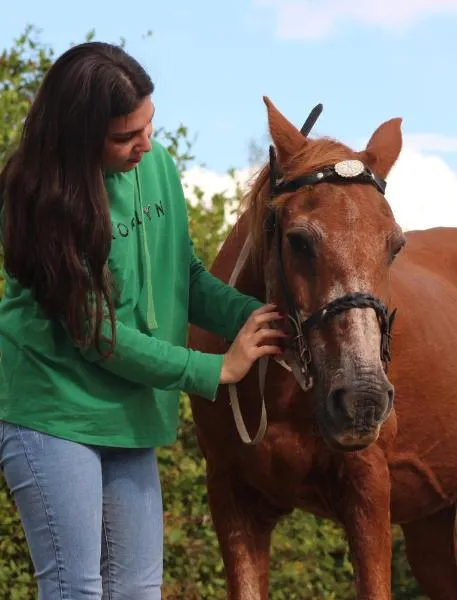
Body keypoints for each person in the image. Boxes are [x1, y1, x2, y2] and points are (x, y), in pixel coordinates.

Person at [0, 41, 284, 599]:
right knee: (75, 589)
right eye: (125, 137)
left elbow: (186, 279)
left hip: (129, 412)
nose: (144, 145)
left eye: (148, 125)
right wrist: (215, 369)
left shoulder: (155, 168)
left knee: (137, 592)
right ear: (80, 136)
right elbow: (97, 337)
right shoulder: (39, 201)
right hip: (52, 410)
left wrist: (266, 319)